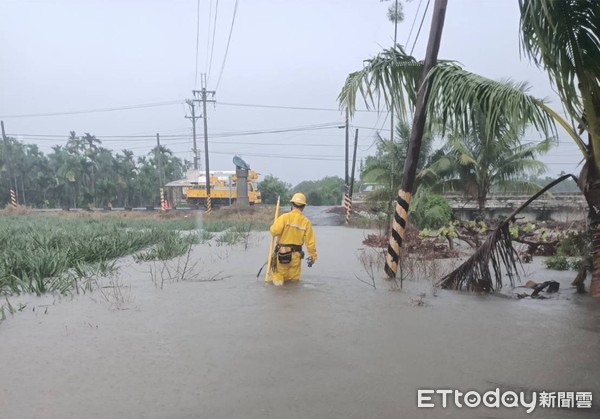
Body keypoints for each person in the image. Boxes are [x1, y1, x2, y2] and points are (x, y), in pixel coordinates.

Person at [269, 192, 317, 285]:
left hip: (282, 254)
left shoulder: (284, 218)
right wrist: (313, 257)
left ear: (292, 204)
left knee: (278, 280)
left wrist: (272, 227)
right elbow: (310, 243)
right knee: (294, 283)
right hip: (296, 256)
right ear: (303, 207)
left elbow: (274, 232)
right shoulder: (306, 222)